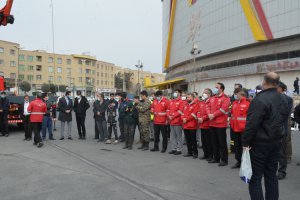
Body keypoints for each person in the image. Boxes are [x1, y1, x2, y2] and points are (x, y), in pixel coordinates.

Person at [243, 72, 289, 200]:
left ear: (264, 82)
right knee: (271, 176)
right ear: (277, 83)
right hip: (276, 142)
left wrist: (245, 143)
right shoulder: (284, 99)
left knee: (255, 178)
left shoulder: (259, 99)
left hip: (260, 144)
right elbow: (283, 120)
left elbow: (252, 125)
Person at [207, 82, 230, 166]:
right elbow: (208, 106)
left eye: (217, 87)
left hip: (220, 124)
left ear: (222, 89)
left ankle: (224, 160)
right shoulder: (213, 98)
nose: (215, 88)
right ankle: (216, 158)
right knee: (214, 142)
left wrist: (213, 115)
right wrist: (209, 114)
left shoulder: (226, 98)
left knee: (222, 143)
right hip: (212, 123)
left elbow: (223, 109)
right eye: (215, 87)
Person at [276, 81, 293, 180]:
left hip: (281, 128)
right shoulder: (271, 98)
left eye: (278, 87)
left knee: (281, 152)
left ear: (283, 89)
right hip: (270, 129)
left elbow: (285, 113)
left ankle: (282, 171)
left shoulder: (288, 99)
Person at [230, 88, 250, 169]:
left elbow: (250, 117)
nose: (235, 95)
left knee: (245, 147)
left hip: (243, 129)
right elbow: (232, 115)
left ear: (240, 94)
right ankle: (238, 161)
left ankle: (246, 163)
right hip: (235, 129)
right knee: (237, 146)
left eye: (236, 94)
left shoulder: (248, 103)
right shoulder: (234, 103)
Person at [167, 89, 186, 155]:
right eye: (175, 92)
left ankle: (179, 149)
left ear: (179, 94)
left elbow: (180, 111)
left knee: (178, 136)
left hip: (178, 122)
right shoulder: (171, 101)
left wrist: (172, 116)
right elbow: (168, 109)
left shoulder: (181, 101)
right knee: (173, 136)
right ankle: (173, 148)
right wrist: (169, 115)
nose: (175, 93)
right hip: (171, 121)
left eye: (177, 92)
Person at [197, 88, 213, 160]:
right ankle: (205, 154)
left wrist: (202, 119)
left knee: (208, 141)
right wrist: (199, 118)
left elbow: (209, 113)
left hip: (208, 124)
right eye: (203, 92)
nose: (204, 94)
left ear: (209, 94)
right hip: (202, 125)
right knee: (203, 141)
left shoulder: (211, 102)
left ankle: (210, 155)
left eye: (205, 93)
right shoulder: (202, 102)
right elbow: (199, 112)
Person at [181, 93, 199, 159]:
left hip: (192, 125)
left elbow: (194, 114)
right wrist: (183, 118)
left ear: (192, 98)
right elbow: (182, 113)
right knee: (188, 140)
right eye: (187, 97)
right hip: (185, 125)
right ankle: (189, 152)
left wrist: (186, 119)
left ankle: (195, 153)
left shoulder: (195, 105)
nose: (187, 98)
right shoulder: (185, 105)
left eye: (189, 97)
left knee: (193, 140)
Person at [229, 83, 243, 153]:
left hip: (241, 126)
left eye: (236, 88)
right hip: (233, 124)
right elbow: (230, 111)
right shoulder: (233, 100)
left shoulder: (246, 102)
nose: (234, 90)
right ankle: (232, 147)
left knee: (239, 141)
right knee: (232, 138)